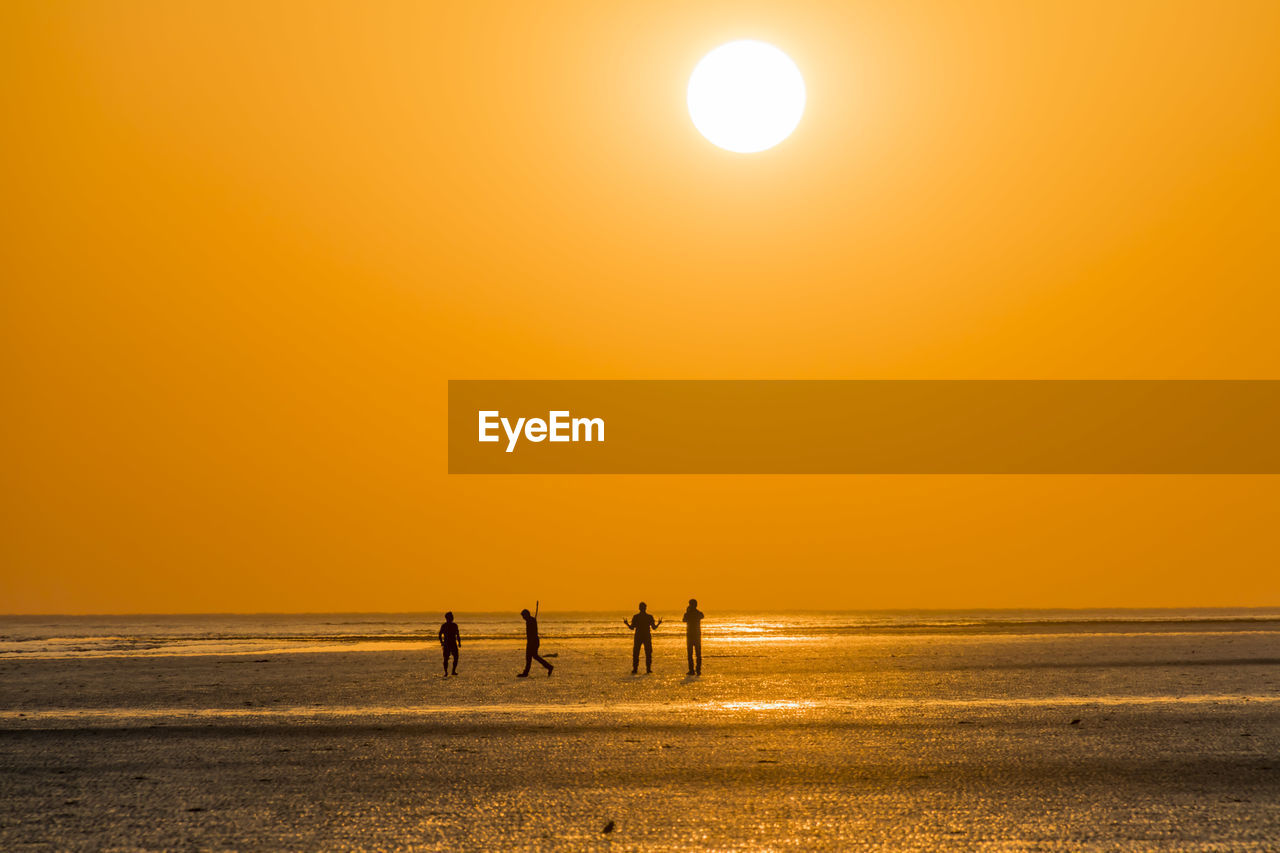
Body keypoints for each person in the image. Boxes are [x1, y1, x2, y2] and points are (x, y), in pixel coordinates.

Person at [623, 602, 662, 675]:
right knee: (648, 653)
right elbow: (654, 628)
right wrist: (659, 623)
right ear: (645, 608)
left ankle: (635, 669)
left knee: (636, 653)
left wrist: (626, 623)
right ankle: (648, 669)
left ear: (639, 608)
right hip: (646, 636)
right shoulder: (649, 617)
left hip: (638, 636)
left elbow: (632, 628)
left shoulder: (636, 617)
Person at [518, 602, 553, 677]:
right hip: (532, 641)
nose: (523, 618)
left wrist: (530, 643)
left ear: (526, 615)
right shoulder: (530, 621)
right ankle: (548, 667)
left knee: (531, 657)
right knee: (532, 657)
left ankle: (548, 667)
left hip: (533, 642)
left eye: (523, 616)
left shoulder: (531, 621)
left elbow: (533, 633)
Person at [682, 599, 704, 676]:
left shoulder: (688, 613)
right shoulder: (698, 613)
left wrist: (687, 611)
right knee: (698, 654)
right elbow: (702, 616)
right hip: (697, 635)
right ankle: (698, 670)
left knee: (690, 654)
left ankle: (692, 670)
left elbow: (684, 620)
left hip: (691, 635)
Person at [438, 611, 460, 677]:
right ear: (448, 618)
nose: (452, 618)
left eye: (452, 616)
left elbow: (457, 635)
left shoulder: (454, 625)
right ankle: (446, 672)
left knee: (456, 657)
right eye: (451, 617)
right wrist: (441, 642)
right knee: (446, 658)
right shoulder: (444, 626)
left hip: (452, 643)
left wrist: (459, 642)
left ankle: (453, 671)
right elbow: (439, 634)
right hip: (447, 644)